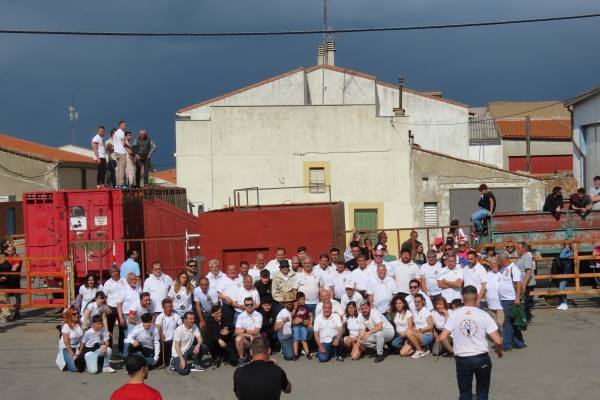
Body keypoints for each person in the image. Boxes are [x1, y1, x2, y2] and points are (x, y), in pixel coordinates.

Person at [437, 285, 503, 400]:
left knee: (465, 392)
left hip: (462, 358)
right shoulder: (483, 315)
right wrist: (499, 351)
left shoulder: (455, 314)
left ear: (462, 298)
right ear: (477, 297)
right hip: (481, 357)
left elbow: (442, 338)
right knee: (482, 391)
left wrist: (452, 351)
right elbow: (498, 340)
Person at [497, 253, 525, 351]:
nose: (499, 264)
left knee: (507, 322)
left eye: (499, 262)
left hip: (511, 299)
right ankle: (519, 343)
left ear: (503, 261)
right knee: (513, 322)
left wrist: (517, 298)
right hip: (504, 299)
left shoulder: (514, 269)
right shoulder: (503, 269)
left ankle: (507, 345)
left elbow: (518, 284)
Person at [402, 293, 434, 359]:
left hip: (427, 335)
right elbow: (413, 325)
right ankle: (421, 347)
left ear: (423, 301)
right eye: (415, 302)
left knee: (408, 332)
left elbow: (431, 326)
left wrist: (419, 330)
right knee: (403, 353)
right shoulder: (414, 311)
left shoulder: (426, 312)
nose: (417, 303)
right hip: (416, 335)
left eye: (418, 301)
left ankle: (419, 350)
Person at [104, 265, 126, 354]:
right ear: (110, 273)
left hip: (122, 308)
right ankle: (109, 350)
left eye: (116, 271)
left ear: (119, 272)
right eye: (112, 272)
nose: (115, 273)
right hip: (111, 308)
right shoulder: (107, 283)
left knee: (122, 329)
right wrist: (107, 307)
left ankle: (122, 350)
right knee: (109, 329)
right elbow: (104, 296)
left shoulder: (124, 281)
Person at [234, 297, 263, 366]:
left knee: (256, 361)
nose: (249, 306)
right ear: (244, 306)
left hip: (256, 338)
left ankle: (251, 355)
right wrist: (248, 335)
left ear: (254, 305)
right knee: (238, 339)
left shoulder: (258, 315)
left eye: (251, 304)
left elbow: (256, 331)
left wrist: (244, 330)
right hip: (247, 339)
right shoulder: (240, 316)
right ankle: (242, 359)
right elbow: (236, 331)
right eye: (247, 305)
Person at [155, 298, 182, 367]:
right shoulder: (160, 317)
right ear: (163, 307)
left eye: (170, 306)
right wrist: (161, 335)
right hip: (164, 340)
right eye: (167, 307)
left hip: (173, 340)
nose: (169, 308)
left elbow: (181, 326)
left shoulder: (176, 316)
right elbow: (157, 327)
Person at [56, 306, 84, 372]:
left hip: (77, 346)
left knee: (83, 366)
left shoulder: (80, 323)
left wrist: (79, 352)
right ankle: (65, 362)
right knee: (75, 368)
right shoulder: (66, 326)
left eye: (77, 313)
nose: (76, 315)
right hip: (67, 348)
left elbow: (83, 339)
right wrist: (73, 355)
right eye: (74, 314)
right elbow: (66, 342)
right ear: (70, 315)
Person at [515, 242, 535, 322]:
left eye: (518, 248)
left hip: (526, 283)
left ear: (524, 248)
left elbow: (529, 272)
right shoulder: (522, 257)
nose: (517, 250)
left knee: (525, 301)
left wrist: (524, 284)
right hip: (522, 283)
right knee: (523, 301)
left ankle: (526, 319)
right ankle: (525, 318)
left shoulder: (527, 257)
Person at [118, 273, 142, 338]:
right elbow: (119, 305)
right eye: (132, 279)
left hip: (138, 315)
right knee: (129, 337)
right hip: (127, 316)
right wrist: (121, 318)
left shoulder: (139, 288)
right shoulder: (123, 289)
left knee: (138, 337)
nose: (134, 281)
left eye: (135, 279)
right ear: (128, 280)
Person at [274, 292, 296, 361]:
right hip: (284, 338)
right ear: (283, 304)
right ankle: (283, 349)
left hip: (291, 336)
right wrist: (283, 322)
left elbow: (291, 317)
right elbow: (275, 328)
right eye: (287, 302)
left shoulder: (289, 311)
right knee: (289, 356)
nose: (289, 303)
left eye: (290, 301)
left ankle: (295, 348)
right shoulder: (281, 314)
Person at [291, 292, 312, 360]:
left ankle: (307, 352)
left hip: (303, 326)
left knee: (303, 340)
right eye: (301, 299)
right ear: (297, 301)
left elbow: (311, 315)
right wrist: (295, 308)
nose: (303, 301)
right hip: (296, 326)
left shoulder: (306, 307)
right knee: (296, 340)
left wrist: (310, 323)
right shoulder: (295, 307)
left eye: (304, 299)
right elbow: (291, 315)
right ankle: (295, 354)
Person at [485, 257, 504, 330]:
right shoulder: (487, 274)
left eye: (495, 264)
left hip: (500, 305)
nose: (494, 266)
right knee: (494, 326)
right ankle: (499, 340)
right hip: (490, 304)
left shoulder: (502, 274)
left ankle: (505, 339)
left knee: (500, 323)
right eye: (492, 264)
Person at [113, 120, 130, 188]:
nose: (125, 126)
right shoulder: (121, 132)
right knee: (122, 168)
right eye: (124, 125)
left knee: (118, 169)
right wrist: (130, 147)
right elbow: (123, 143)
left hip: (116, 152)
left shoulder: (115, 133)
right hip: (122, 152)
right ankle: (121, 183)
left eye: (125, 125)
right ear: (120, 125)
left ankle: (117, 184)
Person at [557, 243, 574, 310]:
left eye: (568, 245)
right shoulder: (564, 251)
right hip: (561, 271)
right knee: (561, 288)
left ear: (570, 246)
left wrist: (565, 250)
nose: (567, 246)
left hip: (566, 272)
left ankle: (565, 303)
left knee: (562, 287)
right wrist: (564, 250)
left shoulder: (572, 252)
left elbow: (561, 256)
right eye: (565, 245)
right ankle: (562, 303)